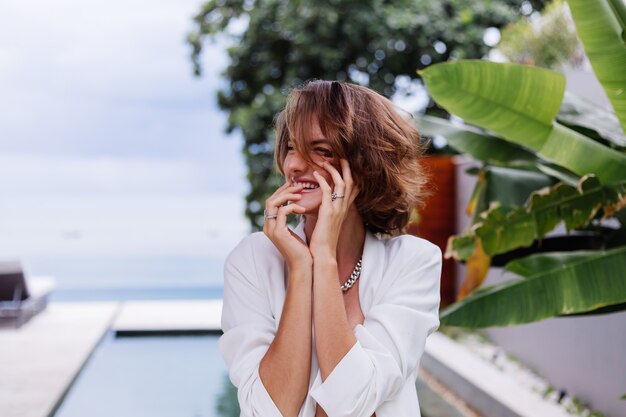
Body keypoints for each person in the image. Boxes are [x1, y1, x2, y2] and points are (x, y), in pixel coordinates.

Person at [219, 80, 441, 417]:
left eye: (320, 150)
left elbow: (353, 401)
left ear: (365, 166)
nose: (294, 165)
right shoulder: (252, 260)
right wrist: (300, 269)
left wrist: (322, 257)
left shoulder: (414, 262)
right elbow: (268, 411)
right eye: (292, 147)